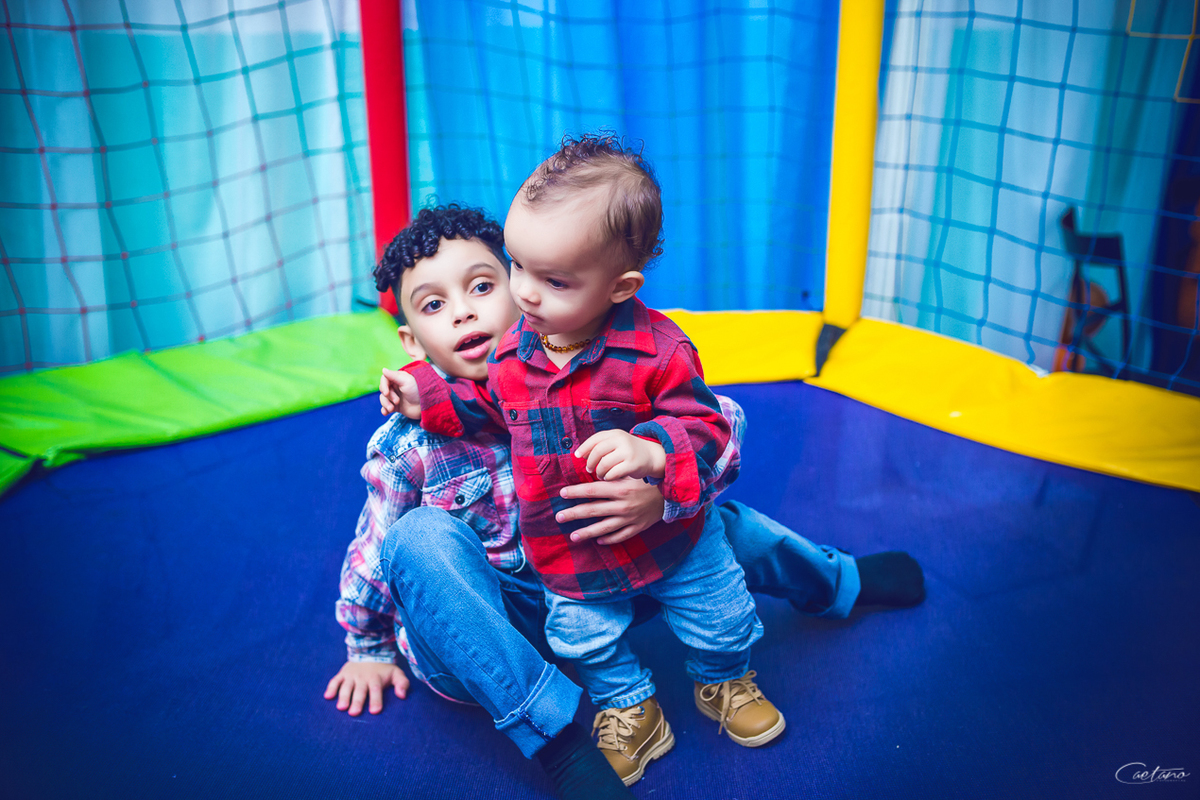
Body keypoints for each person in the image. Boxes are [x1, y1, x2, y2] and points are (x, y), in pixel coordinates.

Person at [381, 137, 916, 787]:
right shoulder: (420, 430)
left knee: (723, 535)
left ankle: (825, 590)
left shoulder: (633, 349)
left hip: (635, 551)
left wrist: (660, 475)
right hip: (531, 596)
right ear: (409, 338)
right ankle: (582, 729)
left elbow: (719, 426)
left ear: (618, 288)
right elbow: (385, 539)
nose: (522, 296)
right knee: (444, 554)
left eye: (492, 283)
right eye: (436, 304)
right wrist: (366, 646)